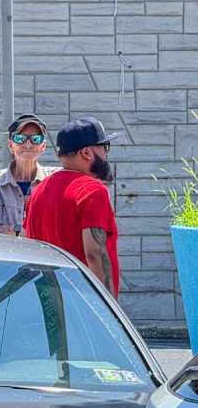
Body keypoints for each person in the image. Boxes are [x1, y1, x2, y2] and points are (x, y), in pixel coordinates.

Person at [24, 117, 120, 297]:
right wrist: (108, 312)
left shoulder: (39, 191)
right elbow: (95, 255)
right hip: (84, 303)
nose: (106, 155)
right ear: (87, 152)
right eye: (104, 147)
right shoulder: (92, 191)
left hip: (51, 302)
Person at [0, 114, 58, 235]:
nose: (28, 145)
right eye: (20, 139)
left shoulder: (54, 181)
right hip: (2, 254)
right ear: (10, 146)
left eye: (35, 139)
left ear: (43, 147)